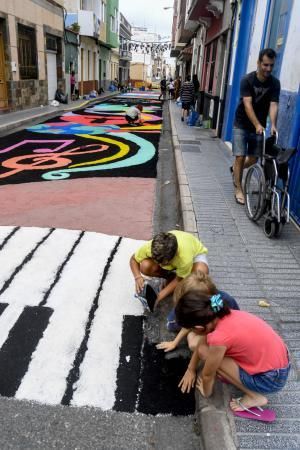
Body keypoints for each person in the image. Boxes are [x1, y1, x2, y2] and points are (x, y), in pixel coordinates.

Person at [175, 291, 290, 413]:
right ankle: (237, 375)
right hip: (280, 365)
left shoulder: (219, 337)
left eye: (191, 330)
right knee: (207, 350)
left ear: (198, 328)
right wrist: (191, 368)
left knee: (208, 356)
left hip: (271, 380)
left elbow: (208, 374)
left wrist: (205, 390)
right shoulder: (223, 314)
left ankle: (254, 397)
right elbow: (202, 342)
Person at [156, 272, 239, 394]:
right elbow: (193, 321)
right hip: (214, 330)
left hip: (226, 342)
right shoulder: (213, 302)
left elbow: (208, 373)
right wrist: (175, 342)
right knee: (174, 325)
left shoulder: (220, 325)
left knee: (195, 345)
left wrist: (193, 370)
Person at [232, 48, 280, 205]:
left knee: (252, 160)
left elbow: (273, 105)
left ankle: (235, 170)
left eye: (271, 65)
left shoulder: (274, 83)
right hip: (241, 123)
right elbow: (247, 104)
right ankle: (238, 188)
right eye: (265, 65)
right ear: (259, 63)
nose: (269, 69)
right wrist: (257, 124)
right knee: (240, 156)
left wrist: (272, 124)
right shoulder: (247, 80)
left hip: (258, 127)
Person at [130, 230, 208, 309]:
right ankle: (170, 276)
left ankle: (178, 276)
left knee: (200, 275)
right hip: (175, 261)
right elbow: (133, 259)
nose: (160, 265)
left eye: (163, 263)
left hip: (195, 254)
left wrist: (159, 296)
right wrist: (138, 277)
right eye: (157, 261)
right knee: (145, 266)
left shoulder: (184, 258)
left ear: (174, 256)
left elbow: (179, 279)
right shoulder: (151, 247)